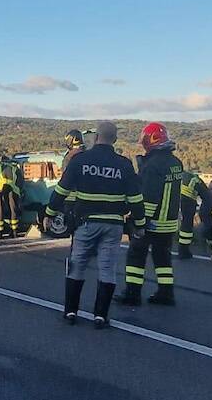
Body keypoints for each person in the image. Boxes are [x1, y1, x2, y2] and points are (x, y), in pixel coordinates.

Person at [44, 122, 145, 328]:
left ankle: (71, 312)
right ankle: (100, 316)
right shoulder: (124, 164)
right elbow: (135, 199)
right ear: (115, 140)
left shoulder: (81, 160)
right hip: (113, 225)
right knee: (107, 268)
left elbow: (62, 190)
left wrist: (49, 213)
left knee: (77, 265)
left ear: (97, 137)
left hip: (86, 223)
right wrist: (140, 224)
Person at [116, 122, 183, 306]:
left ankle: (132, 294)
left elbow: (150, 198)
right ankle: (166, 293)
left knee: (136, 255)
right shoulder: (175, 162)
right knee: (162, 258)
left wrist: (140, 222)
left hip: (153, 221)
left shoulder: (153, 165)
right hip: (169, 222)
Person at [178, 171, 212, 259]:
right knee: (186, 225)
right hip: (187, 199)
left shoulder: (177, 175)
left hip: (170, 195)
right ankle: (183, 251)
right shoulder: (198, 182)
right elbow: (210, 201)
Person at [0, 156, 24, 238]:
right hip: (12, 191)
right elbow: (20, 181)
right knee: (13, 210)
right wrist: (19, 190)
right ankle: (14, 231)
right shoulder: (14, 167)